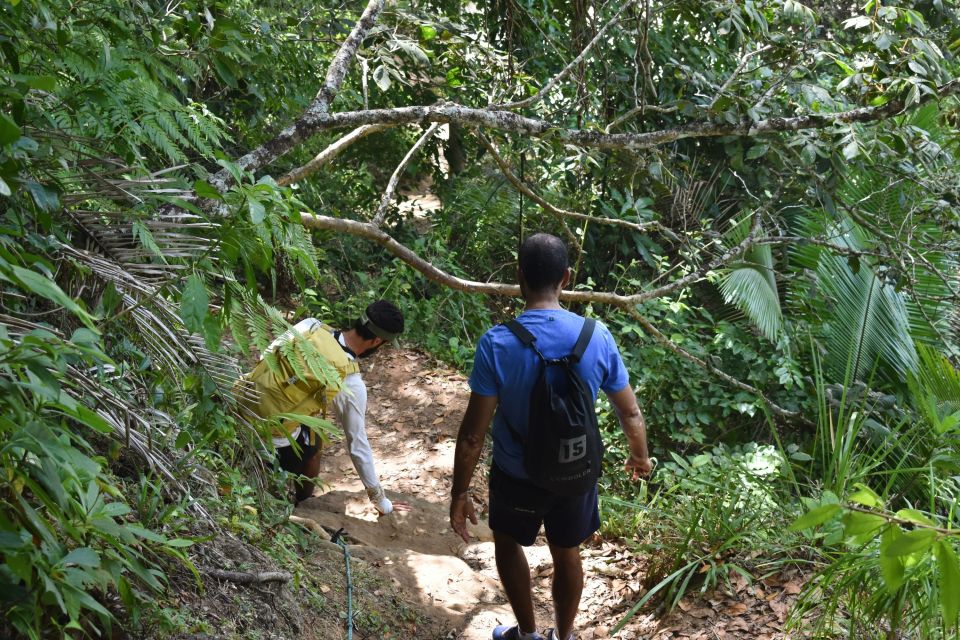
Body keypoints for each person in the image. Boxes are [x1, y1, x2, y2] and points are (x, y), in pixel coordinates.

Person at [449, 234, 652, 640]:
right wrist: (640, 457)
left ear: (518, 276)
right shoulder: (597, 336)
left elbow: (473, 435)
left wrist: (460, 490)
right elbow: (629, 411)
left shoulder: (497, 342)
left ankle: (526, 635)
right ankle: (564, 635)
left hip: (516, 473)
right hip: (574, 470)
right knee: (567, 551)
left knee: (508, 544)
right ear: (567, 277)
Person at [240, 300, 407, 515]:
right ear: (376, 341)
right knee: (316, 431)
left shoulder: (311, 326)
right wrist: (381, 501)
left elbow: (266, 356)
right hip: (272, 441)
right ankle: (304, 503)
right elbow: (357, 444)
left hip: (239, 405)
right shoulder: (349, 380)